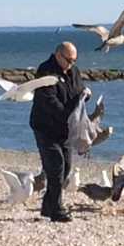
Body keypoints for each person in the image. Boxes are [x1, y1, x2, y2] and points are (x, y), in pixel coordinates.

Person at [29, 42, 90, 222]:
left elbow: (77, 92)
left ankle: (48, 206)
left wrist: (85, 95)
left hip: (65, 129)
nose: (71, 64)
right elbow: (49, 101)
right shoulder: (45, 71)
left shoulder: (74, 71)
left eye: (74, 60)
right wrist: (66, 114)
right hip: (45, 127)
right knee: (56, 166)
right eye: (68, 60)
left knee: (66, 169)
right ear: (58, 55)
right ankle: (57, 210)